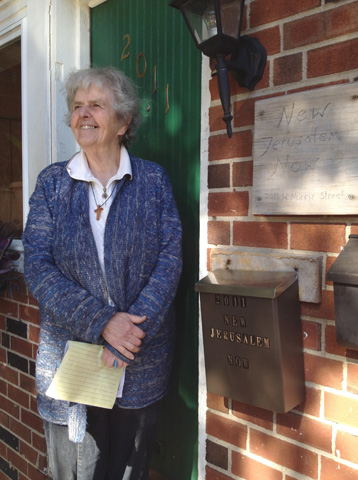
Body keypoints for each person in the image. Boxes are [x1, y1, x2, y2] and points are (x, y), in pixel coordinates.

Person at [23, 67, 183, 480]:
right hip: (71, 362)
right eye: (77, 107)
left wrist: (128, 334)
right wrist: (102, 323)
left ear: (124, 121)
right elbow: (37, 266)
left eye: (96, 105)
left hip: (137, 361)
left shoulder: (153, 182)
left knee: (128, 469)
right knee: (74, 470)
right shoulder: (52, 184)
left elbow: (170, 260)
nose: (83, 114)